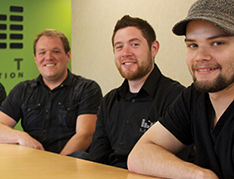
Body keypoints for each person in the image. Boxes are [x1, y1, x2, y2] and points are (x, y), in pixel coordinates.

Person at [128, 0, 234, 179]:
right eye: (193, 45)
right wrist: (200, 176)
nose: (201, 56)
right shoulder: (195, 97)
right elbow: (139, 155)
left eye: (217, 43)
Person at [72, 15, 194, 168]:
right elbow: (97, 159)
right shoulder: (109, 101)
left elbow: (174, 164)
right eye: (119, 47)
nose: (125, 53)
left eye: (134, 44)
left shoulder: (176, 98)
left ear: (154, 48)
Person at [0, 29, 103, 155]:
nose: (48, 57)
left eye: (56, 51)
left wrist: (56, 163)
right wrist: (22, 137)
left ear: (68, 56)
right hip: (32, 162)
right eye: (42, 52)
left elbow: (85, 135)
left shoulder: (87, 88)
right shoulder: (23, 90)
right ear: (35, 58)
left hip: (71, 164)